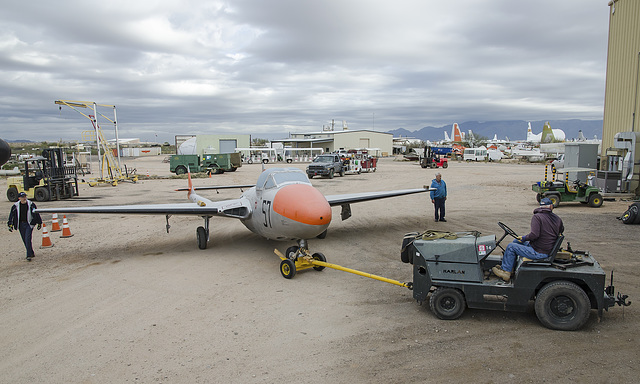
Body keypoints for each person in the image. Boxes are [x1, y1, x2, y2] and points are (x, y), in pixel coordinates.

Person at [492, 197, 564, 282]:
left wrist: (524, 238)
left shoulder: (537, 217)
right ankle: (509, 267)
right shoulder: (557, 219)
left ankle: (506, 273)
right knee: (516, 241)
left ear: (540, 206)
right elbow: (561, 230)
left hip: (539, 252)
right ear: (551, 207)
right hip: (545, 248)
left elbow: (534, 235)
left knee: (511, 246)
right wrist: (523, 239)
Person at [7, 191, 42, 261]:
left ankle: (28, 255)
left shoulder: (31, 204)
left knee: (27, 238)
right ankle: (31, 252)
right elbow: (11, 215)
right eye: (22, 197)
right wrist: (10, 224)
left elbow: (36, 213)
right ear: (19, 198)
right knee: (25, 240)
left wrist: (39, 222)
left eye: (25, 196)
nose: (24, 198)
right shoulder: (15, 206)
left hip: (29, 224)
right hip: (20, 225)